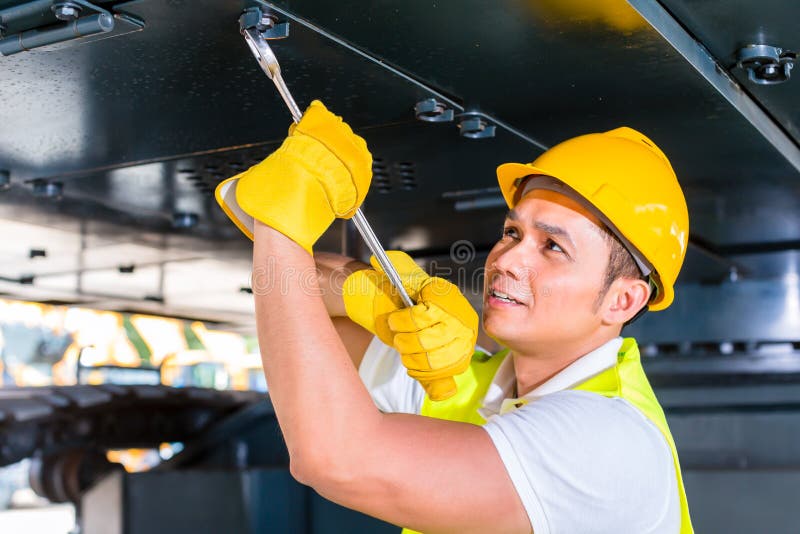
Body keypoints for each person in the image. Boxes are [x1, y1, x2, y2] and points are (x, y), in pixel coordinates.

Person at [216, 100, 693, 533]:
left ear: (623, 301)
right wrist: (377, 297)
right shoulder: (474, 388)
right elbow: (303, 306)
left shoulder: (608, 439)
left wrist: (278, 221)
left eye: (552, 246)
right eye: (512, 231)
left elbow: (336, 458)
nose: (506, 260)